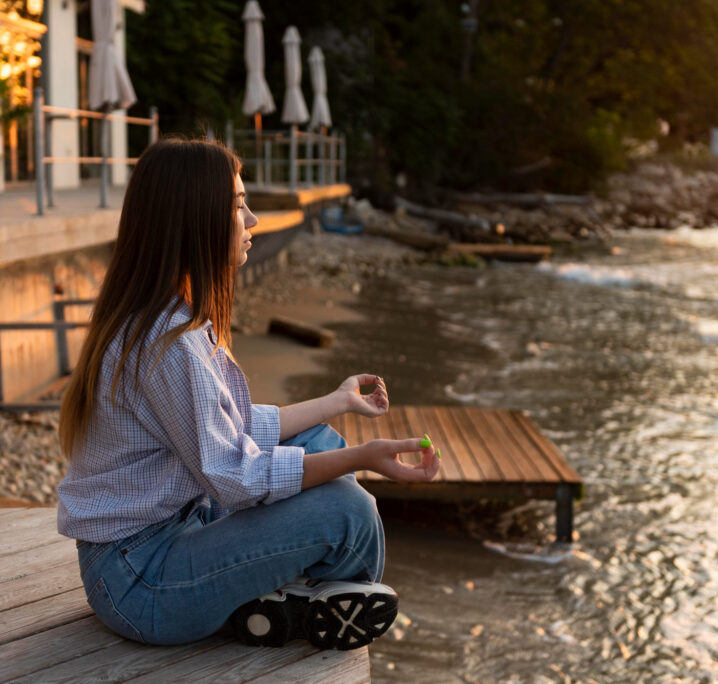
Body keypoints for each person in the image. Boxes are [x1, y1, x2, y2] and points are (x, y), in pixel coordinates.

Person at [56, 138, 440, 650]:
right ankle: (324, 598)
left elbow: (232, 429)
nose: (253, 220)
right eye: (239, 206)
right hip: (140, 583)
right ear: (197, 220)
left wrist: (339, 401)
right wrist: (365, 457)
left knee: (319, 439)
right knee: (350, 513)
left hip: (170, 534)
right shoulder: (167, 345)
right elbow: (237, 476)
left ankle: (299, 596)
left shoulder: (166, 318)